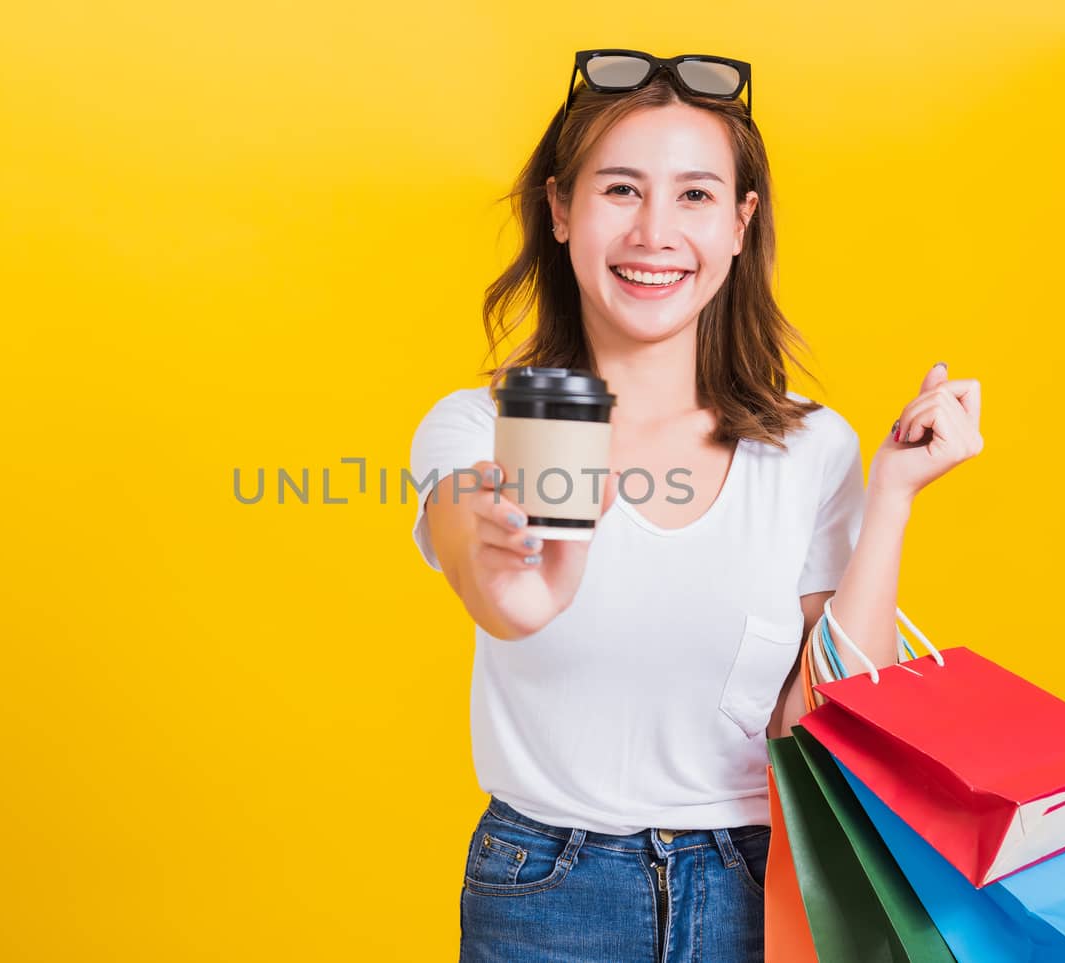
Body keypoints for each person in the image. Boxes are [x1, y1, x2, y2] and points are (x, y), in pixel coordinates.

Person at [408, 49, 984, 962]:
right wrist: (521, 541)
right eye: (621, 190)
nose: (654, 233)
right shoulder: (488, 426)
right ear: (561, 209)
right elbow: (504, 598)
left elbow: (817, 722)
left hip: (761, 890)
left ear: (740, 223)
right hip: (549, 894)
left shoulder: (808, 447)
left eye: (695, 196)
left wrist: (893, 499)